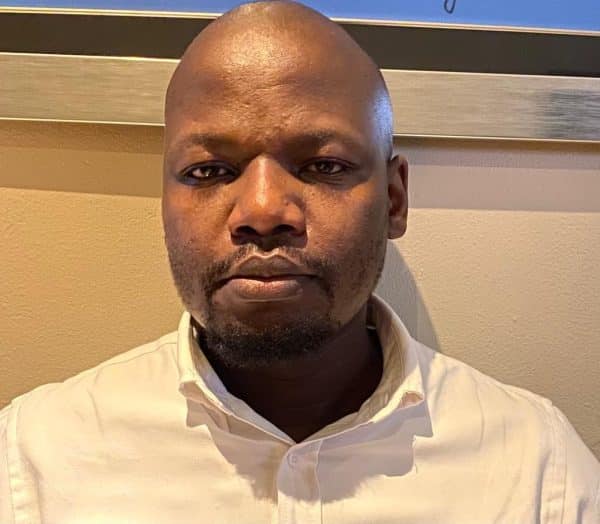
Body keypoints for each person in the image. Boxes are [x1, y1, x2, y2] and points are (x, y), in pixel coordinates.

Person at [1, 1, 598, 522]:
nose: (263, 211)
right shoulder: (35, 460)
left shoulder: (535, 468)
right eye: (209, 171)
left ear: (394, 200)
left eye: (324, 166)